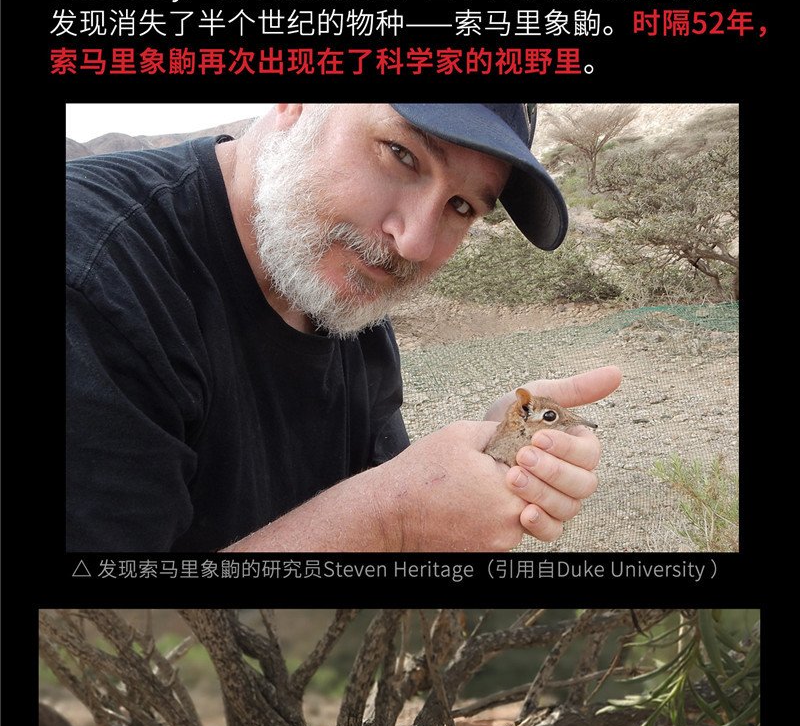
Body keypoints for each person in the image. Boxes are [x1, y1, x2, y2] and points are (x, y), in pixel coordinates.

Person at [66, 102, 620, 552]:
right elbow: (108, 641)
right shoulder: (95, 276)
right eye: (401, 155)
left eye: (460, 207)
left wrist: (489, 455)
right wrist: (391, 523)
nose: (414, 242)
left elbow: (370, 486)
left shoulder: (338, 294)